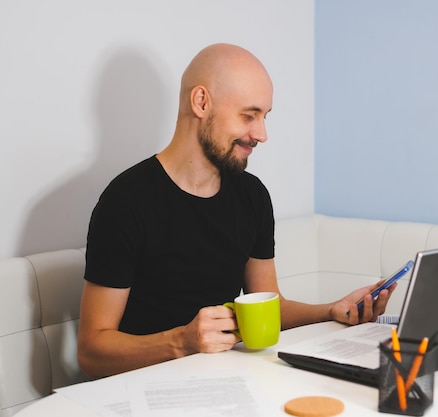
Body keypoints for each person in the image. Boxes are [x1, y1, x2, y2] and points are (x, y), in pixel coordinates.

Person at [77, 43, 396, 378]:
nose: (261, 134)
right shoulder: (126, 200)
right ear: (201, 102)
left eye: (264, 117)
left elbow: (270, 306)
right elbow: (91, 351)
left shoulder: (252, 196)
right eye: (248, 115)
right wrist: (181, 342)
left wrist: (333, 310)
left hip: (225, 383)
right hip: (141, 389)